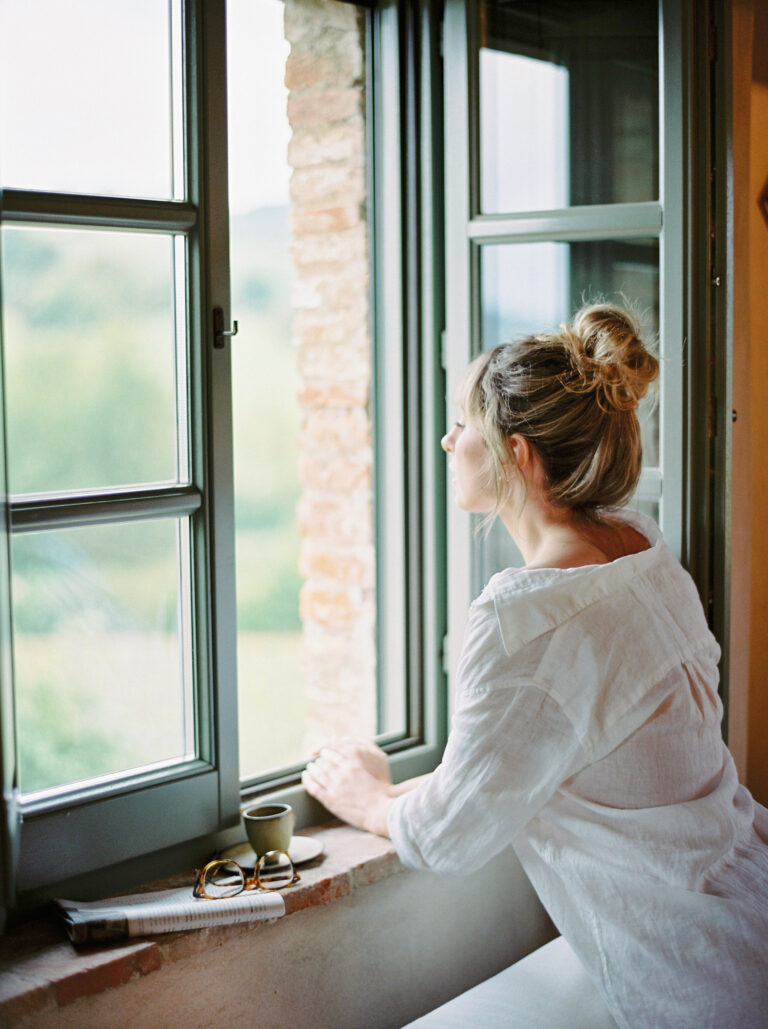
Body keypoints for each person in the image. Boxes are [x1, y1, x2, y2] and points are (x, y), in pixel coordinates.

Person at [302, 303, 768, 1028]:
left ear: (517, 454)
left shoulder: (524, 621)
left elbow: (451, 833)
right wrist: (429, 778)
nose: (447, 439)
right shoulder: (640, 550)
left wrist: (367, 799)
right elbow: (538, 744)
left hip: (696, 973)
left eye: (465, 428)